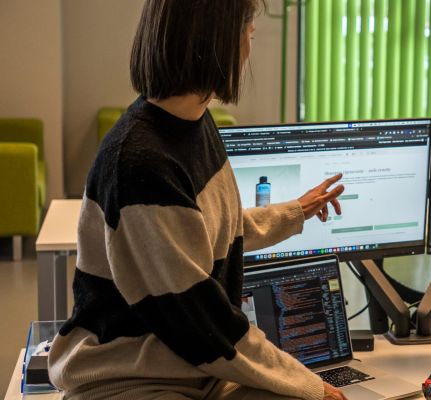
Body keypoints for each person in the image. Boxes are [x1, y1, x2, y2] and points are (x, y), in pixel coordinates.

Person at [48, 1, 346, 399]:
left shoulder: (194, 123)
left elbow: (207, 230)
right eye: (248, 34)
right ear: (216, 42)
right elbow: (201, 320)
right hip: (132, 379)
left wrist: (294, 212)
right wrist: (312, 386)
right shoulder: (141, 162)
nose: (248, 48)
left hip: (191, 367)